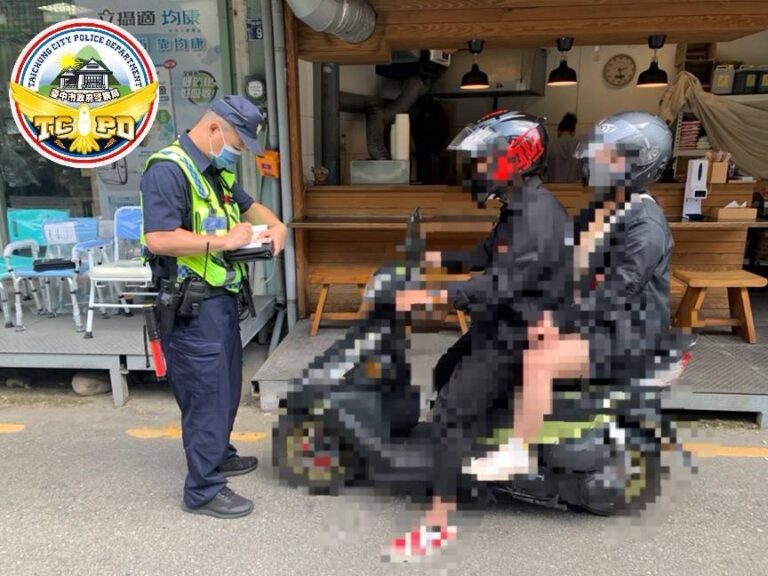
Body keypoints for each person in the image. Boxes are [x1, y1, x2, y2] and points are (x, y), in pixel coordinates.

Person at [386, 111, 572, 560]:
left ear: (515, 159)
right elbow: (484, 255)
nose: (477, 169)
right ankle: (472, 464)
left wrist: (433, 296)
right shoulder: (518, 206)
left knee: (450, 412)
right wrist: (432, 259)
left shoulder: (536, 217)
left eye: (484, 160)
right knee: (444, 369)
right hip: (503, 321)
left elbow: (501, 283)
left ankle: (438, 523)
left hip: (519, 332)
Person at [140, 95, 287, 519]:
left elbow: (248, 206)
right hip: (191, 306)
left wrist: (276, 225)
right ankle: (202, 490)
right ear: (213, 129)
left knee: (225, 386)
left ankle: (219, 454)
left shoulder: (213, 170)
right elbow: (159, 238)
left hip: (219, 301)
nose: (237, 154)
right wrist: (224, 241)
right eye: (237, 145)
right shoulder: (168, 170)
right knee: (205, 395)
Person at [546, 112, 581, 183]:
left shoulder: (551, 145)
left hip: (553, 188)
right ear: (573, 131)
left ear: (559, 130)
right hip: (575, 188)